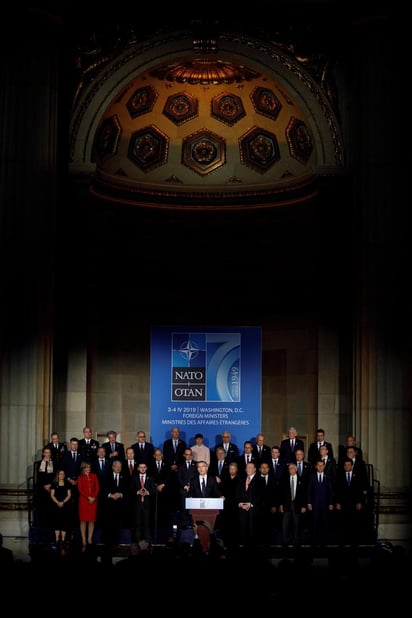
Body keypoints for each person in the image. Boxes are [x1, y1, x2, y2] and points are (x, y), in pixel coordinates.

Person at [100, 459, 128, 553]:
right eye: (116, 466)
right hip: (108, 505)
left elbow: (127, 490)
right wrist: (110, 495)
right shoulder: (106, 477)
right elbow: (103, 490)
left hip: (120, 506)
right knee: (107, 525)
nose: (118, 468)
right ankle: (107, 544)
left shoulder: (125, 477)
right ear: (113, 467)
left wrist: (120, 494)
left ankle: (116, 543)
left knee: (117, 524)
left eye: (120, 467)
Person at [279, 462, 307, 547]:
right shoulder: (284, 480)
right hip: (286, 505)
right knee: (285, 524)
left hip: (297, 505)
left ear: (296, 469)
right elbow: (280, 493)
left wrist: (303, 505)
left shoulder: (301, 480)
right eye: (289, 468)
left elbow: (304, 494)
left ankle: (296, 540)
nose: (291, 470)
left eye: (292, 468)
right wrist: (280, 505)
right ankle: (285, 541)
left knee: (296, 524)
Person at [307, 459, 335, 545]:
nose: (320, 467)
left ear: (324, 466)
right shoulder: (312, 476)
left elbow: (331, 491)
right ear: (316, 466)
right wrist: (309, 502)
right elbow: (309, 490)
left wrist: (331, 503)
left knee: (325, 523)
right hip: (314, 504)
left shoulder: (328, 477)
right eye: (318, 465)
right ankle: (314, 543)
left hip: (325, 504)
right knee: (314, 523)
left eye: (321, 465)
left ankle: (325, 542)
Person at [235, 461, 262, 549]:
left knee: (253, 532)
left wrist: (251, 504)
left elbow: (261, 495)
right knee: (243, 531)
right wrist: (240, 504)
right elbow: (238, 494)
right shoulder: (242, 479)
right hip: (242, 510)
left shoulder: (260, 480)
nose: (247, 469)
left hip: (254, 511)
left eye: (250, 467)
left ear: (255, 469)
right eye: (247, 467)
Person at [219, 461, 242, 551]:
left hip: (235, 506)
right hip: (225, 506)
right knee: (225, 524)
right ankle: (225, 544)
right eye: (230, 469)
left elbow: (239, 494)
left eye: (233, 469)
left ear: (236, 470)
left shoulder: (240, 480)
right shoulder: (224, 479)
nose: (232, 470)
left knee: (234, 525)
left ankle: (234, 545)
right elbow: (220, 491)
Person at [131, 462, 156, 543]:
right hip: (137, 504)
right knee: (137, 523)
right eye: (140, 467)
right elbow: (131, 489)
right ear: (138, 468)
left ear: (146, 468)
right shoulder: (134, 478)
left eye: (144, 467)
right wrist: (138, 492)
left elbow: (153, 490)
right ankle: (137, 541)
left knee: (147, 523)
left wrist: (147, 492)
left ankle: (147, 541)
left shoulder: (151, 478)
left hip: (147, 504)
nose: (142, 469)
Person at [77, 460, 99, 550]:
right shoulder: (80, 477)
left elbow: (97, 488)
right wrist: (88, 497)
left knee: (91, 520)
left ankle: (89, 539)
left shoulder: (94, 476)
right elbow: (80, 489)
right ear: (83, 468)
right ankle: (84, 540)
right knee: (83, 521)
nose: (88, 469)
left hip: (93, 501)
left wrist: (93, 497)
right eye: (86, 467)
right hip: (84, 501)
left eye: (89, 467)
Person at [49, 469, 72, 545]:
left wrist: (62, 502)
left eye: (63, 474)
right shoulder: (54, 484)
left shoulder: (67, 484)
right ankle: (56, 539)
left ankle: (63, 539)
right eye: (61, 474)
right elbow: (52, 495)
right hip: (56, 506)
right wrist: (57, 502)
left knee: (64, 522)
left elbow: (69, 495)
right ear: (58, 475)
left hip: (65, 506)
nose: (62, 475)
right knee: (57, 522)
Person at [176, 447, 198, 526]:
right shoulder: (181, 465)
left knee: (193, 507)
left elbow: (197, 476)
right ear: (184, 455)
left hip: (193, 489)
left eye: (190, 454)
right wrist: (185, 486)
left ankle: (194, 524)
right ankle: (184, 524)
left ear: (192, 455)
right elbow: (179, 478)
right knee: (183, 507)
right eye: (187, 454)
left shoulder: (196, 464)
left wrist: (191, 486)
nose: (188, 456)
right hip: (183, 489)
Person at [34, 446, 55, 527]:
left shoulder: (54, 462)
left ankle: (50, 525)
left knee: (50, 508)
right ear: (43, 453)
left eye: (49, 452)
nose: (47, 454)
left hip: (51, 487)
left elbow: (55, 476)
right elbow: (38, 476)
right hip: (41, 488)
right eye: (46, 452)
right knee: (42, 508)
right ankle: (41, 525)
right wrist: (44, 485)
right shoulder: (39, 463)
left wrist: (50, 485)